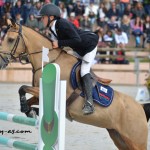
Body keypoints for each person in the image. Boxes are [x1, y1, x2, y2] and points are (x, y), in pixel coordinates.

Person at [39, 4, 99, 115]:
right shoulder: (53, 27)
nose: (41, 19)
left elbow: (76, 39)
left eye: (43, 17)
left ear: (51, 17)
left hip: (89, 46)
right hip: (78, 47)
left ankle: (89, 103)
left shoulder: (62, 24)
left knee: (84, 70)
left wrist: (59, 43)